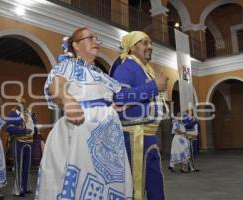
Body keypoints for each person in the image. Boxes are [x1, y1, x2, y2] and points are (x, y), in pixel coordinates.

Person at [35, 27, 133, 199]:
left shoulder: (100, 74)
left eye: (97, 38)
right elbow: (55, 87)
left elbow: (114, 97)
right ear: (76, 45)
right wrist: (67, 100)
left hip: (109, 139)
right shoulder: (68, 66)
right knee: (80, 182)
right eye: (90, 38)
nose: (96, 41)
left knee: (107, 185)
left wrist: (113, 108)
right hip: (80, 133)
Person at [110, 31, 168, 200]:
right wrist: (154, 87)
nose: (150, 47)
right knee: (137, 186)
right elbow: (118, 97)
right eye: (144, 43)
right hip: (134, 136)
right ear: (132, 48)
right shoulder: (126, 67)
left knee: (154, 182)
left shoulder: (146, 70)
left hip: (148, 136)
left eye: (150, 43)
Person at [6, 97, 35, 196]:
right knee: (18, 166)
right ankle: (18, 189)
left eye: (23, 103)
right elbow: (9, 128)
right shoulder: (13, 114)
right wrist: (23, 131)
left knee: (27, 166)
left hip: (30, 142)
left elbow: (33, 126)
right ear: (17, 105)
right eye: (20, 103)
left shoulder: (28, 114)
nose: (22, 105)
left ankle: (26, 186)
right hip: (19, 142)